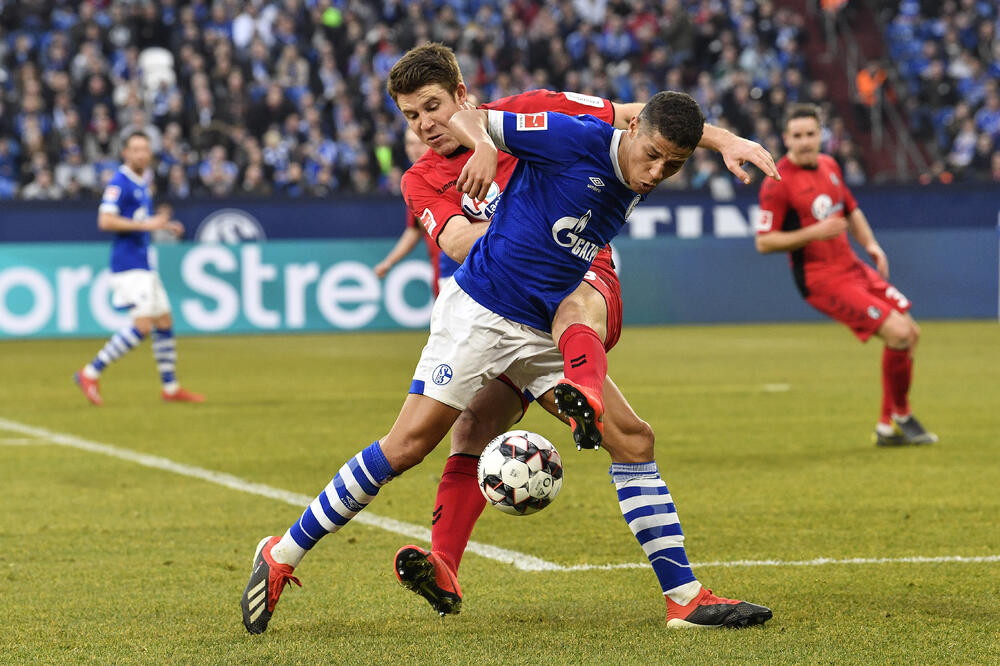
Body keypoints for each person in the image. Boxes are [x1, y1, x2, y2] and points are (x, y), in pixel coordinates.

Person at [240, 90, 773, 634]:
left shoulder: (615, 136)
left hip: (543, 325)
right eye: (653, 155)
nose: (658, 171)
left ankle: (683, 598)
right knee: (407, 446)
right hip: (481, 313)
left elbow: (658, 115)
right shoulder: (566, 135)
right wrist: (487, 149)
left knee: (634, 439)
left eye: (673, 165)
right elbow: (476, 125)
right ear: (633, 134)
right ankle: (280, 554)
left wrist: (728, 141)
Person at [379, 43, 776, 620]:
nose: (424, 125)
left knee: (580, 309)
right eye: (410, 116)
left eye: (432, 108)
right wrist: (511, 237)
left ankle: (583, 391)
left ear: (461, 96)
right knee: (476, 424)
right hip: (501, 297)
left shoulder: (536, 114)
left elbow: (637, 118)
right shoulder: (421, 178)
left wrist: (723, 139)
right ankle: (444, 565)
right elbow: (462, 247)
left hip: (578, 270)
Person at [755, 104, 936, 446]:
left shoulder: (829, 165)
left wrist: (872, 246)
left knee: (911, 333)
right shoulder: (776, 183)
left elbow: (851, 210)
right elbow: (765, 242)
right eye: (797, 136)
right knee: (898, 333)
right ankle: (901, 415)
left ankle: (887, 427)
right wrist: (814, 233)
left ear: (822, 134)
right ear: (785, 139)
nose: (805, 142)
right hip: (821, 279)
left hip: (852, 267)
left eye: (811, 134)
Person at [73, 131, 204, 406]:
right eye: (136, 150)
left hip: (144, 263)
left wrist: (163, 225)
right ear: (126, 153)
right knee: (142, 325)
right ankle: (89, 372)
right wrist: (147, 226)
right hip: (128, 265)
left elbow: (140, 220)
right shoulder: (119, 182)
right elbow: (106, 221)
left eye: (145, 149)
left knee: (164, 320)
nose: (142, 154)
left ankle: (170, 388)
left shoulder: (142, 181)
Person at [373, 128, 443, 296]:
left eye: (420, 143)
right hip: (441, 274)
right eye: (411, 143)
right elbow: (415, 229)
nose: (415, 149)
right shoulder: (414, 181)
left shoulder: (450, 173)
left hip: (468, 271)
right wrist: (389, 262)